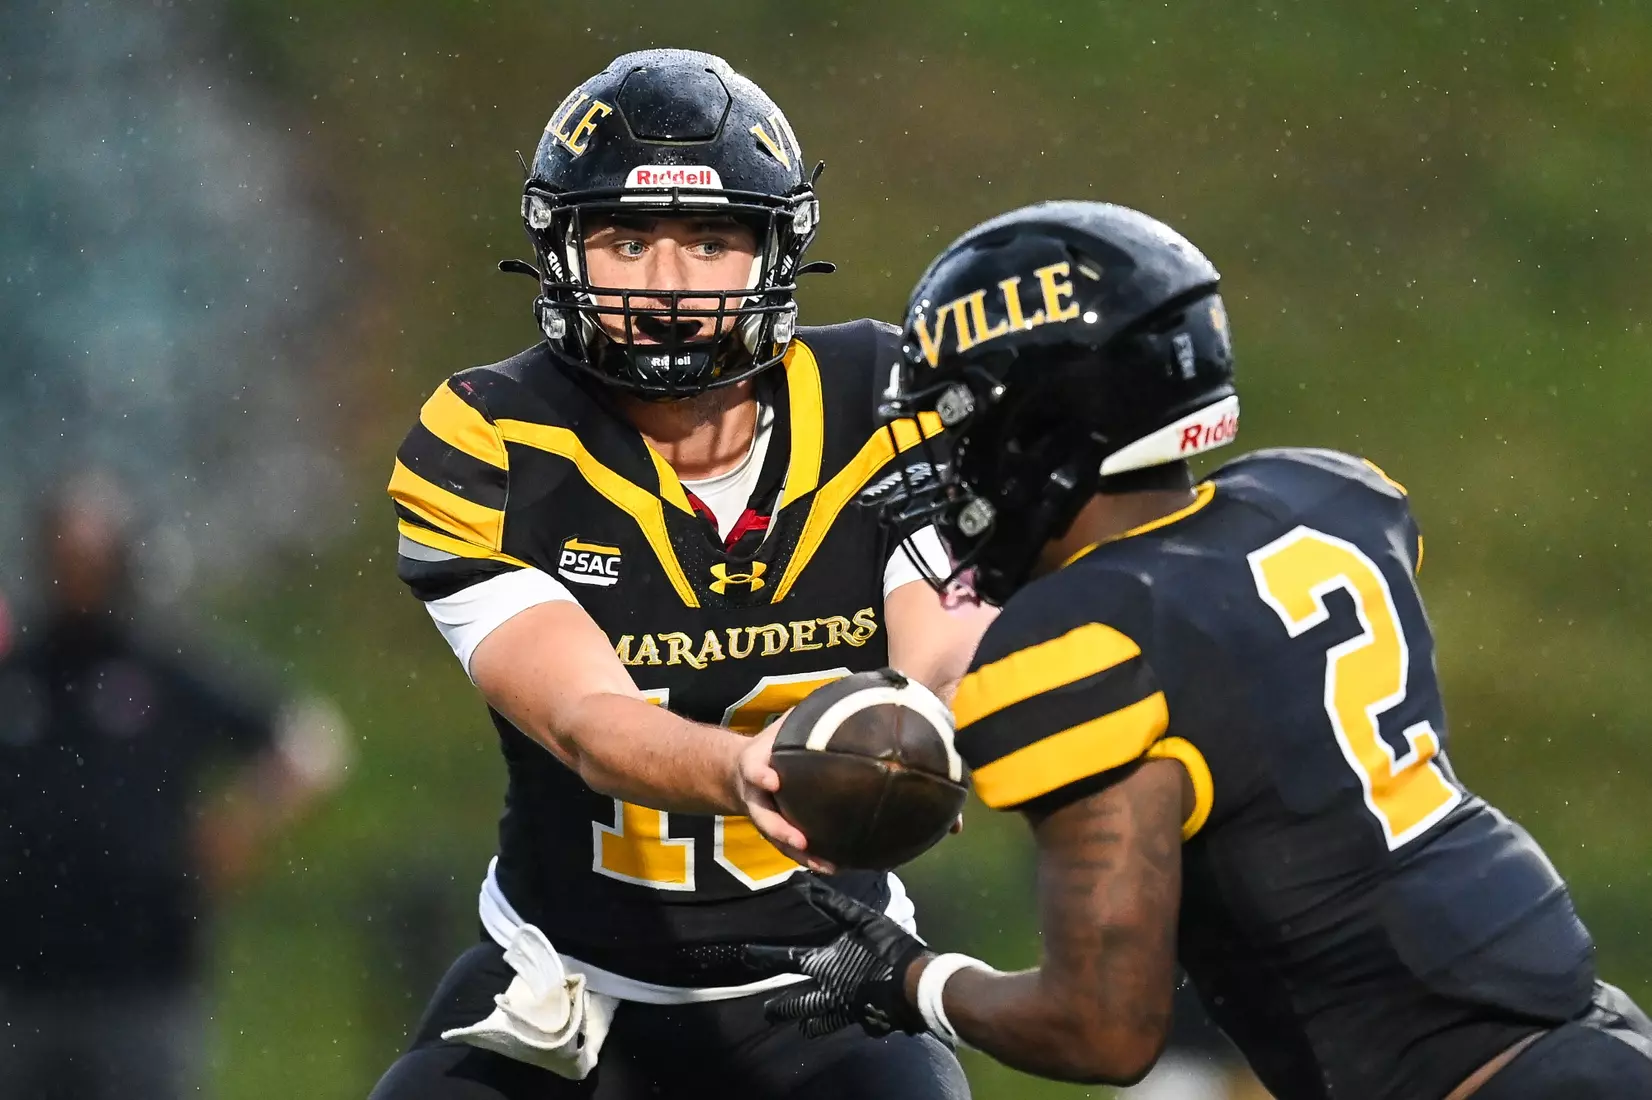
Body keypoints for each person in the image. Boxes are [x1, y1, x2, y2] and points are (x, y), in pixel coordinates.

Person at [745, 200, 1652, 1099]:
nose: (943, 459)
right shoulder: (1324, 499)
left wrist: (909, 979)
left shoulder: (1082, 641)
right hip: (1590, 1036)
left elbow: (1101, 1029)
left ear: (1044, 422)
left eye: (960, 420)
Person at [372, 49, 988, 1100]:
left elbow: (940, 627)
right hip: (565, 991)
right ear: (559, 247)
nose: (665, 287)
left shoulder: (888, 399)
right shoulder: (492, 438)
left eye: (710, 240)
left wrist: (921, 718)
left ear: (774, 251)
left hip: (827, 974)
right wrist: (742, 771)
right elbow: (581, 717)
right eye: (625, 239)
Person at [0, 473, 350, 1100]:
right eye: (66, 555)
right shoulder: (17, 673)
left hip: (143, 977)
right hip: (20, 981)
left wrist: (244, 820)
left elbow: (312, 740)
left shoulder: (164, 670)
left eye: (92, 557)